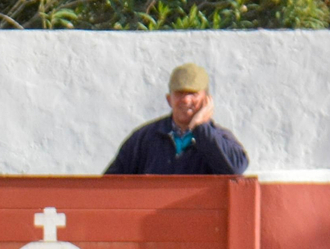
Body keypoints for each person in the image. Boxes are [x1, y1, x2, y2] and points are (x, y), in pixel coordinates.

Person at [105, 63, 249, 175]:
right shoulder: (144, 138)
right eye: (179, 93)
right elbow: (111, 183)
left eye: (193, 94)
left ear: (207, 100)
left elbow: (235, 169)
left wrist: (200, 127)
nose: (186, 100)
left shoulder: (219, 139)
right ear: (169, 99)